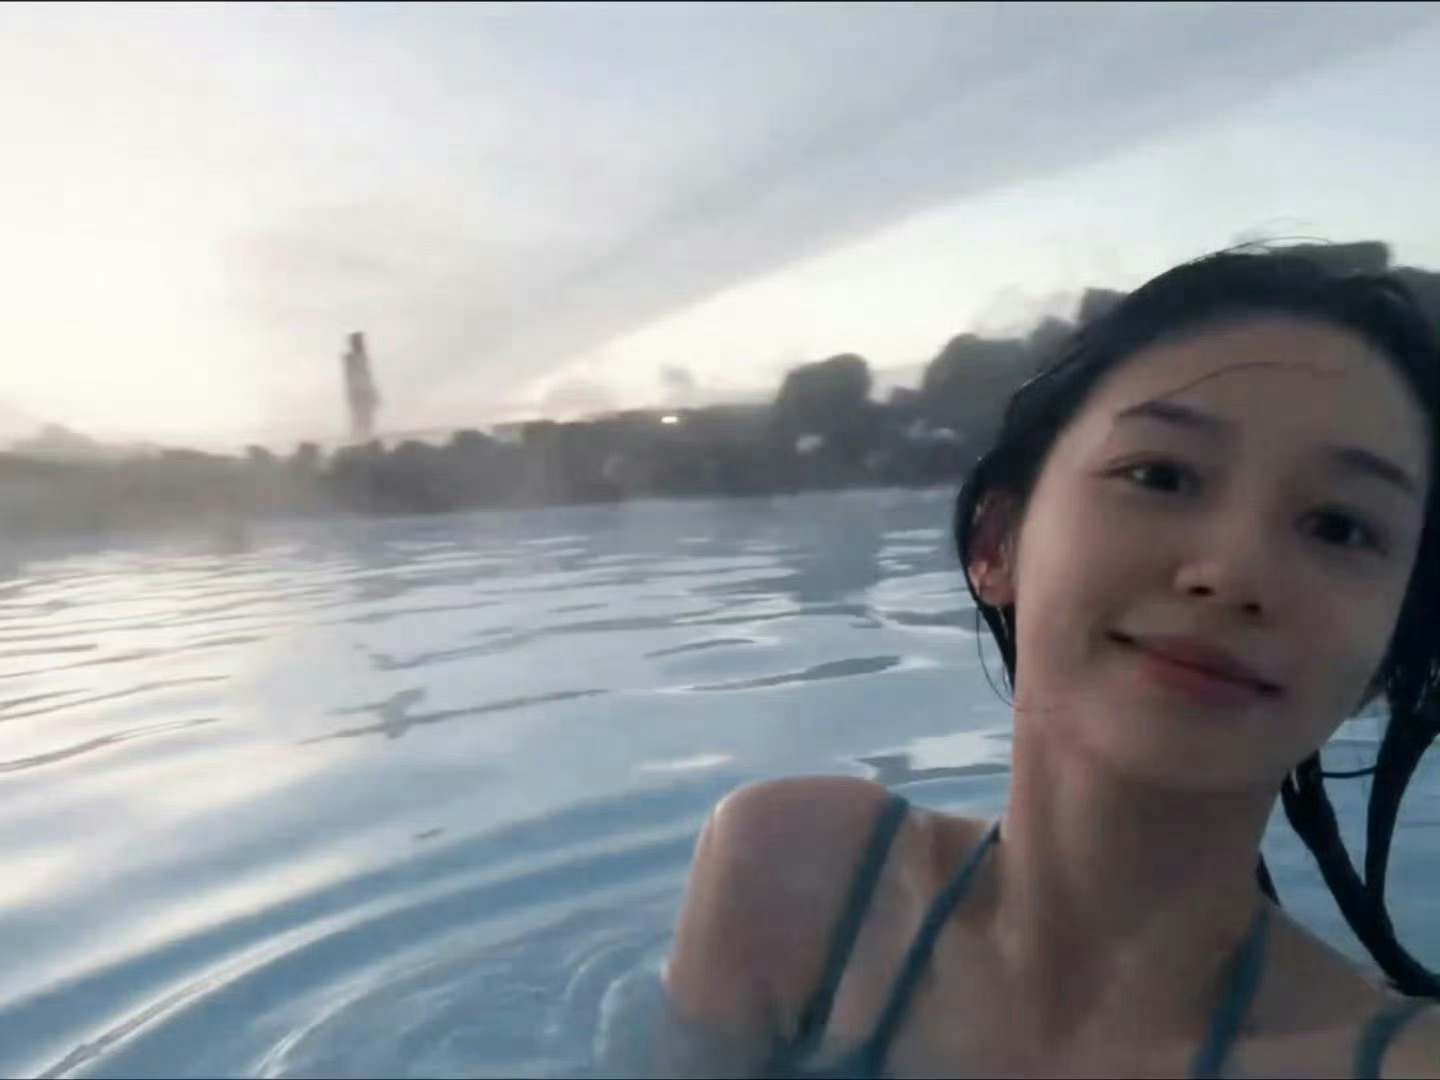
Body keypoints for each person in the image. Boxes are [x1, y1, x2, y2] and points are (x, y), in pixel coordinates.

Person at [659, 247, 1440, 1078]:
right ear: (996, 544)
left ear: (1388, 660)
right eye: (1160, 475)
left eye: (1340, 528)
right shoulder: (798, 885)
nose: (1233, 571)